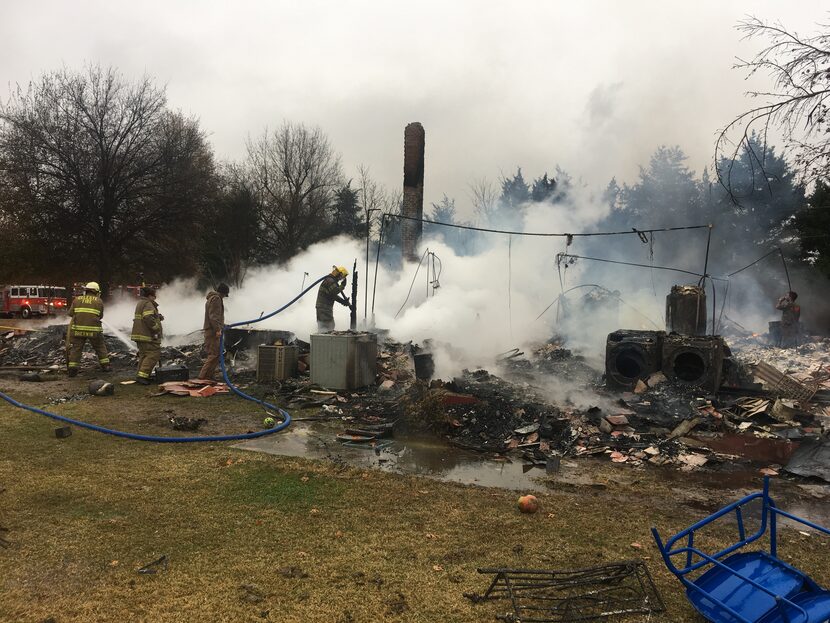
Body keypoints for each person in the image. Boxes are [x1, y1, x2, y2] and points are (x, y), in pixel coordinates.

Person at [66, 282, 110, 376]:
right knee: (100, 347)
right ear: (96, 291)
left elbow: (70, 314)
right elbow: (100, 316)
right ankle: (105, 366)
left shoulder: (77, 300)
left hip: (78, 330)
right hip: (94, 331)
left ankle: (73, 369)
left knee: (76, 349)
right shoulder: (99, 301)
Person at [131, 286, 163, 384]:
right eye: (154, 296)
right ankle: (142, 376)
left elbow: (147, 315)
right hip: (147, 335)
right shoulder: (148, 303)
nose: (155, 298)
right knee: (153, 354)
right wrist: (156, 327)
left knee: (144, 355)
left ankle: (141, 375)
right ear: (149, 296)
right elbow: (148, 317)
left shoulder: (141, 303)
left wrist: (158, 317)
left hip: (139, 334)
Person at [198, 282, 229, 380]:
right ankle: (203, 377)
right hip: (212, 331)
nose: (224, 297)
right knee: (213, 354)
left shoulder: (213, 298)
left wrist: (222, 325)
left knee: (216, 354)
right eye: (225, 295)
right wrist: (217, 329)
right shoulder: (216, 299)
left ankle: (208, 376)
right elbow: (214, 317)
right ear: (223, 293)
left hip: (212, 329)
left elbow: (215, 317)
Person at [316, 266, 350, 332]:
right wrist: (342, 286)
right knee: (327, 327)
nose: (341, 279)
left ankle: (322, 341)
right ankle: (322, 341)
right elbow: (335, 292)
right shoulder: (330, 280)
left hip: (324, 308)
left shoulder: (331, 280)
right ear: (338, 274)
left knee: (327, 327)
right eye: (342, 276)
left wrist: (343, 301)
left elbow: (333, 295)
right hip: (324, 308)